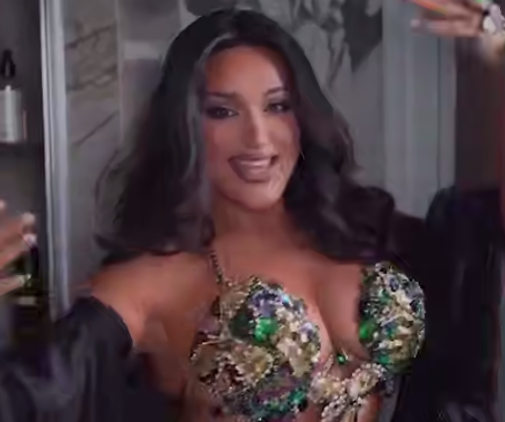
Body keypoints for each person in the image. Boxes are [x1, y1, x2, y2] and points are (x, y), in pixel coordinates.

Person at [0, 3, 501, 422]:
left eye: (278, 106)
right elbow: (21, 400)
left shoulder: (373, 235)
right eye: (223, 111)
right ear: (185, 128)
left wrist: (496, 42)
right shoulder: (149, 283)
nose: (258, 139)